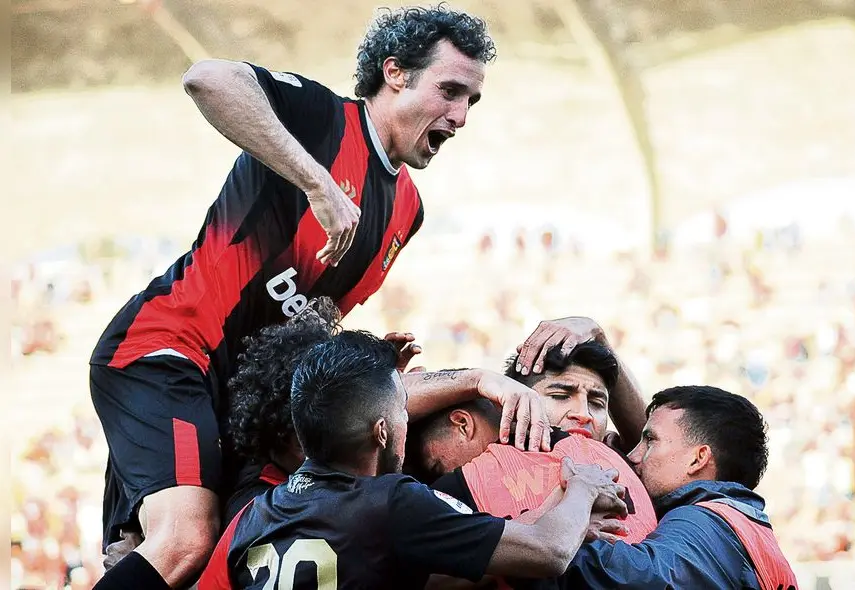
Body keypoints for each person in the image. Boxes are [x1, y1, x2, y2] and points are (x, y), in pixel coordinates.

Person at [88, 8, 531, 588]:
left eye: (471, 100)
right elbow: (207, 78)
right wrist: (316, 182)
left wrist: (365, 361)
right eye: (449, 91)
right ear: (394, 73)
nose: (461, 116)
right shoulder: (323, 122)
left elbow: (303, 322)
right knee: (186, 540)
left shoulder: (407, 209)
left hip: (237, 400)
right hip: (168, 349)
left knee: (214, 550)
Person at [198, 331, 627, 589]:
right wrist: (582, 491)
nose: (411, 420)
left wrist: (559, 517)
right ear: (382, 431)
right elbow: (547, 553)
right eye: (403, 411)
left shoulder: (254, 516)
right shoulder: (391, 503)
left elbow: (440, 566)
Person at [558, 386, 799, 590]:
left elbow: (642, 579)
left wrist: (554, 529)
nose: (633, 456)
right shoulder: (742, 523)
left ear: (698, 459)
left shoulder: (705, 522)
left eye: (650, 440)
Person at [408, 398, 658, 543]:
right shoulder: (606, 453)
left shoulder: (463, 483)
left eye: (437, 465)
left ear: (462, 424)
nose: (443, 475)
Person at [508, 317, 648, 452]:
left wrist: (599, 338)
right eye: (560, 396)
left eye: (596, 403)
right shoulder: (489, 453)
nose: (584, 414)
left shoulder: (615, 461)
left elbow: (647, 439)